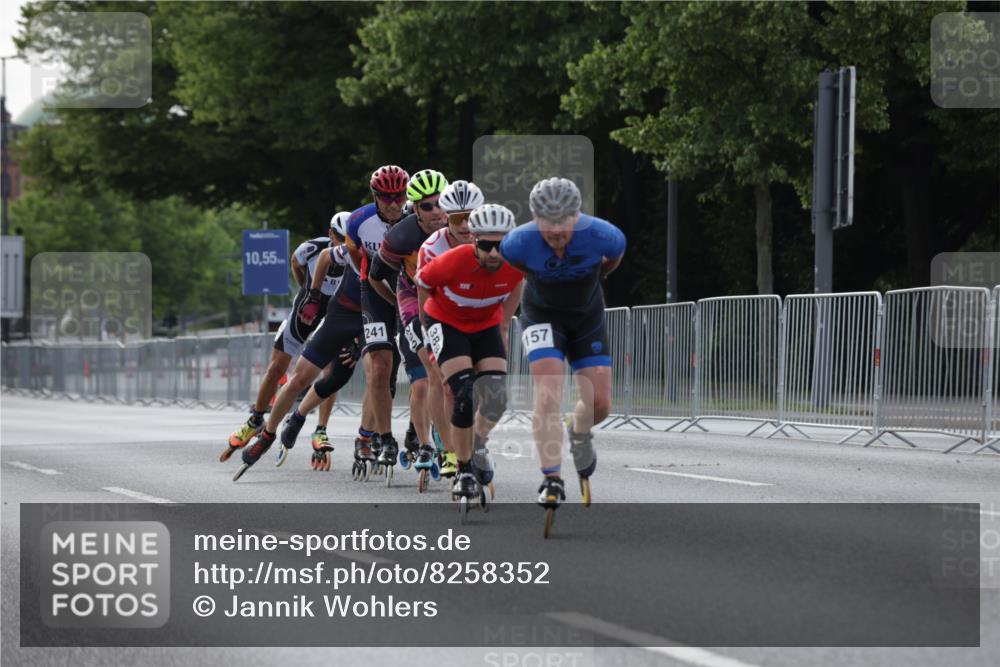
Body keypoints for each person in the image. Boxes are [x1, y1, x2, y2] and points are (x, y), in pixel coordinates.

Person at [498, 177, 626, 514]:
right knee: (548, 390)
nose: (555, 230)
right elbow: (516, 267)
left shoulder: (604, 236)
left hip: (586, 317)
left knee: (601, 403)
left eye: (563, 220)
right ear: (534, 218)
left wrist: (596, 276)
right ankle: (551, 478)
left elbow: (614, 258)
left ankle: (579, 429)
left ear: (577, 215)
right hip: (542, 315)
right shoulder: (517, 243)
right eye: (547, 221)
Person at [415, 204, 523, 500]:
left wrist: (503, 327)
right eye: (486, 246)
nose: (494, 253)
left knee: (497, 397)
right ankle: (463, 469)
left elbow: (517, 286)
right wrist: (427, 327)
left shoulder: (516, 263)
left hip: (485, 325)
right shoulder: (452, 261)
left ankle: (476, 442)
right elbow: (422, 283)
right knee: (463, 392)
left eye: (500, 245)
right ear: (474, 240)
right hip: (447, 323)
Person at [221, 212, 349, 463]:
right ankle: (255, 419)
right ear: (330, 234)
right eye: (340, 238)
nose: (344, 244)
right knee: (276, 368)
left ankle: (321, 429)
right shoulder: (313, 248)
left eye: (349, 239)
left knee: (330, 372)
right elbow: (295, 262)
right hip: (305, 313)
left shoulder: (355, 255)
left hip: (331, 317)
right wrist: (306, 292)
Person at [369, 169, 449, 477]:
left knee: (452, 375)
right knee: (423, 378)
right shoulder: (400, 236)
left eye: (441, 203)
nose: (436, 211)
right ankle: (426, 444)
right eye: (427, 206)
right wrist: (397, 307)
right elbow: (375, 277)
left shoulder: (462, 226)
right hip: (412, 297)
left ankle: (440, 427)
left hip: (447, 298)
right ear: (414, 208)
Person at [416, 180, 485, 478]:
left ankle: (474, 442)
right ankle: (449, 451)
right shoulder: (432, 248)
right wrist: (429, 333)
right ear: (446, 217)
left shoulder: (493, 239)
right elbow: (425, 296)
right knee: (444, 382)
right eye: (458, 219)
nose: (466, 225)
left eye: (471, 217)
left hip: (480, 315)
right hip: (442, 315)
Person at [346, 165, 410, 476]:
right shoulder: (358, 221)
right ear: (375, 196)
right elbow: (356, 256)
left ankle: (422, 433)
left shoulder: (417, 218)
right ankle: (381, 438)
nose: (394, 203)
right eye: (387, 197)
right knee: (380, 367)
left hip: (409, 291)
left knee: (410, 367)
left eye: (400, 196)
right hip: (373, 290)